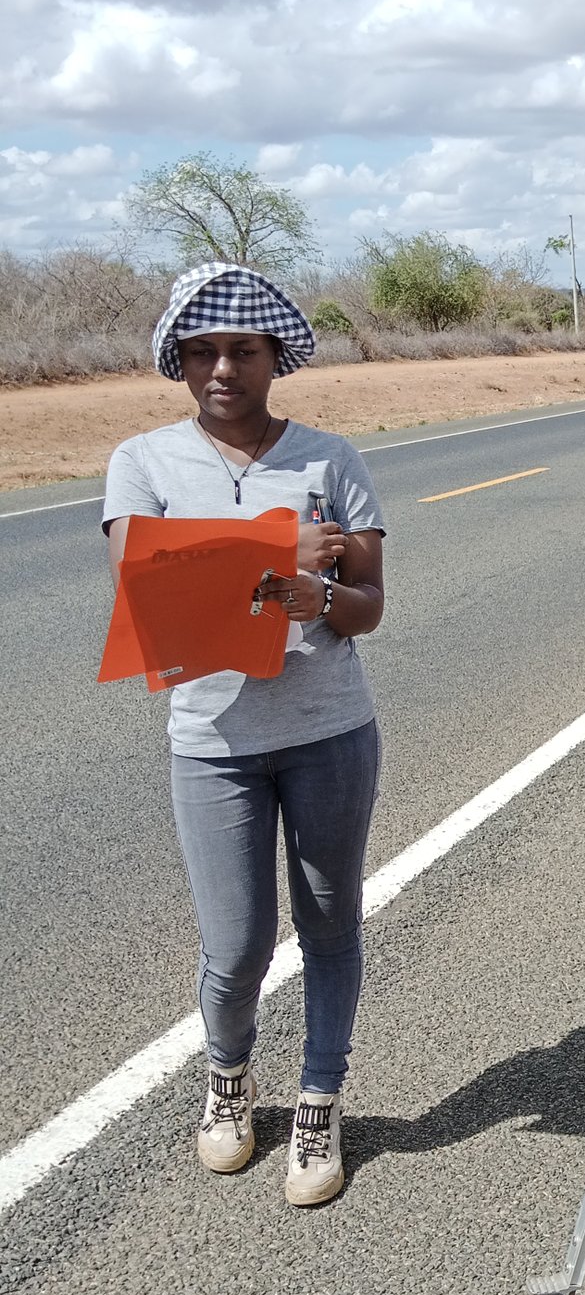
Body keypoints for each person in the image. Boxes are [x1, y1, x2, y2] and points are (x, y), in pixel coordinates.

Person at [103, 263, 386, 1207]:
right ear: (178, 360)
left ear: (276, 358)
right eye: (202, 350)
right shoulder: (142, 462)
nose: (222, 367)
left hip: (328, 731)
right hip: (211, 742)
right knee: (236, 946)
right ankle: (229, 1082)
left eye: (243, 350)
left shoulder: (330, 459)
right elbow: (147, 593)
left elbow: (370, 605)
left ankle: (318, 1099)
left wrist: (324, 595)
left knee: (330, 924)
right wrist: (275, 555)